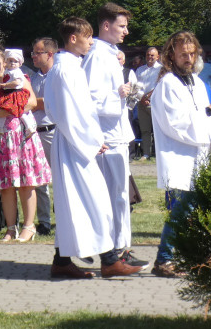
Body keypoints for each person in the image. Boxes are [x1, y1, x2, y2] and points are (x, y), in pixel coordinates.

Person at [46, 17, 140, 279]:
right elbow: (71, 113)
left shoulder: (70, 67)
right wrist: (92, 141)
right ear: (73, 38)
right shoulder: (65, 70)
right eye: (87, 37)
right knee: (94, 201)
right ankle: (109, 261)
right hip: (75, 145)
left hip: (77, 142)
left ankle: (62, 260)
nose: (91, 42)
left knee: (79, 203)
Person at [150, 31, 211, 278]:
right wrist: (209, 110)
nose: (189, 58)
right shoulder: (167, 84)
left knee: (197, 209)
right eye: (184, 54)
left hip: (200, 153)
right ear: (171, 54)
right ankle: (164, 258)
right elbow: (175, 122)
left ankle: (196, 256)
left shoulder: (196, 82)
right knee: (183, 209)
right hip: (179, 155)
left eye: (192, 54)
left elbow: (203, 120)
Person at [83, 2, 144, 267]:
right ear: (106, 25)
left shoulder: (110, 54)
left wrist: (127, 94)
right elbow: (89, 98)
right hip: (106, 136)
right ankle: (115, 251)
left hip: (117, 132)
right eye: (122, 26)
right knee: (113, 196)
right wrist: (117, 94)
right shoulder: (97, 55)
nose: (126, 31)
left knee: (120, 195)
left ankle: (120, 247)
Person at [0, 45, 52, 243]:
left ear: (5, 61)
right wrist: (0, 112)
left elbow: (33, 102)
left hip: (22, 137)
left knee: (26, 182)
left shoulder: (19, 77)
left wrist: (13, 109)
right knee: (6, 186)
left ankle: (29, 226)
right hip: (0, 139)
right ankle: (10, 229)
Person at [29, 37, 58, 236]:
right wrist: (40, 102)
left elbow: (52, 103)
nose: (33, 56)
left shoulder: (57, 76)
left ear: (49, 54)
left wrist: (37, 103)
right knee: (39, 179)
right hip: (34, 132)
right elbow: (28, 102)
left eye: (37, 53)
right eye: (33, 53)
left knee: (60, 178)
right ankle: (44, 222)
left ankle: (64, 220)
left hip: (53, 131)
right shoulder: (33, 78)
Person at [135, 47, 162, 160]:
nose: (150, 57)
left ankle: (158, 153)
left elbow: (160, 85)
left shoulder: (161, 69)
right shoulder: (140, 70)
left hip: (155, 103)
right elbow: (136, 86)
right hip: (141, 103)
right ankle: (146, 153)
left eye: (152, 55)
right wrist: (142, 98)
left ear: (157, 57)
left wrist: (149, 96)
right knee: (145, 129)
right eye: (148, 55)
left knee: (158, 129)